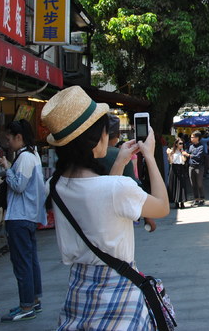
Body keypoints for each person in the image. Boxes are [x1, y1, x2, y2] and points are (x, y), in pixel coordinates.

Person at [40, 86, 169, 330]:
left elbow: (101, 199)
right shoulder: (117, 188)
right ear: (95, 138)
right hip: (119, 295)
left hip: (79, 295)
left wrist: (120, 161)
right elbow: (162, 207)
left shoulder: (54, 186)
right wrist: (150, 156)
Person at [0, 119, 47, 322]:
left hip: (20, 216)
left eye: (9, 138)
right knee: (30, 261)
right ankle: (32, 301)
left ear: (19, 137)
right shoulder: (32, 155)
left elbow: (18, 186)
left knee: (22, 263)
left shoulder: (24, 157)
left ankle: (26, 305)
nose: (8, 142)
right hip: (29, 216)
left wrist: (7, 169)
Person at [166, 137, 190, 209]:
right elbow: (171, 161)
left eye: (182, 143)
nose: (181, 145)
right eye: (180, 143)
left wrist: (183, 154)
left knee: (182, 185)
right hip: (174, 168)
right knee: (174, 184)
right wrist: (169, 154)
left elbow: (184, 161)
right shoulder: (172, 151)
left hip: (181, 168)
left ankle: (182, 202)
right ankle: (176, 202)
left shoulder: (183, 151)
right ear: (176, 144)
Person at [188, 131, 205, 206]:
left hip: (199, 167)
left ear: (197, 138)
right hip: (191, 166)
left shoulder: (201, 146)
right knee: (193, 184)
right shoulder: (191, 146)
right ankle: (196, 199)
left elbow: (198, 156)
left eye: (192, 137)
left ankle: (202, 198)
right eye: (191, 137)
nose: (191, 138)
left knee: (199, 183)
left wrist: (189, 155)